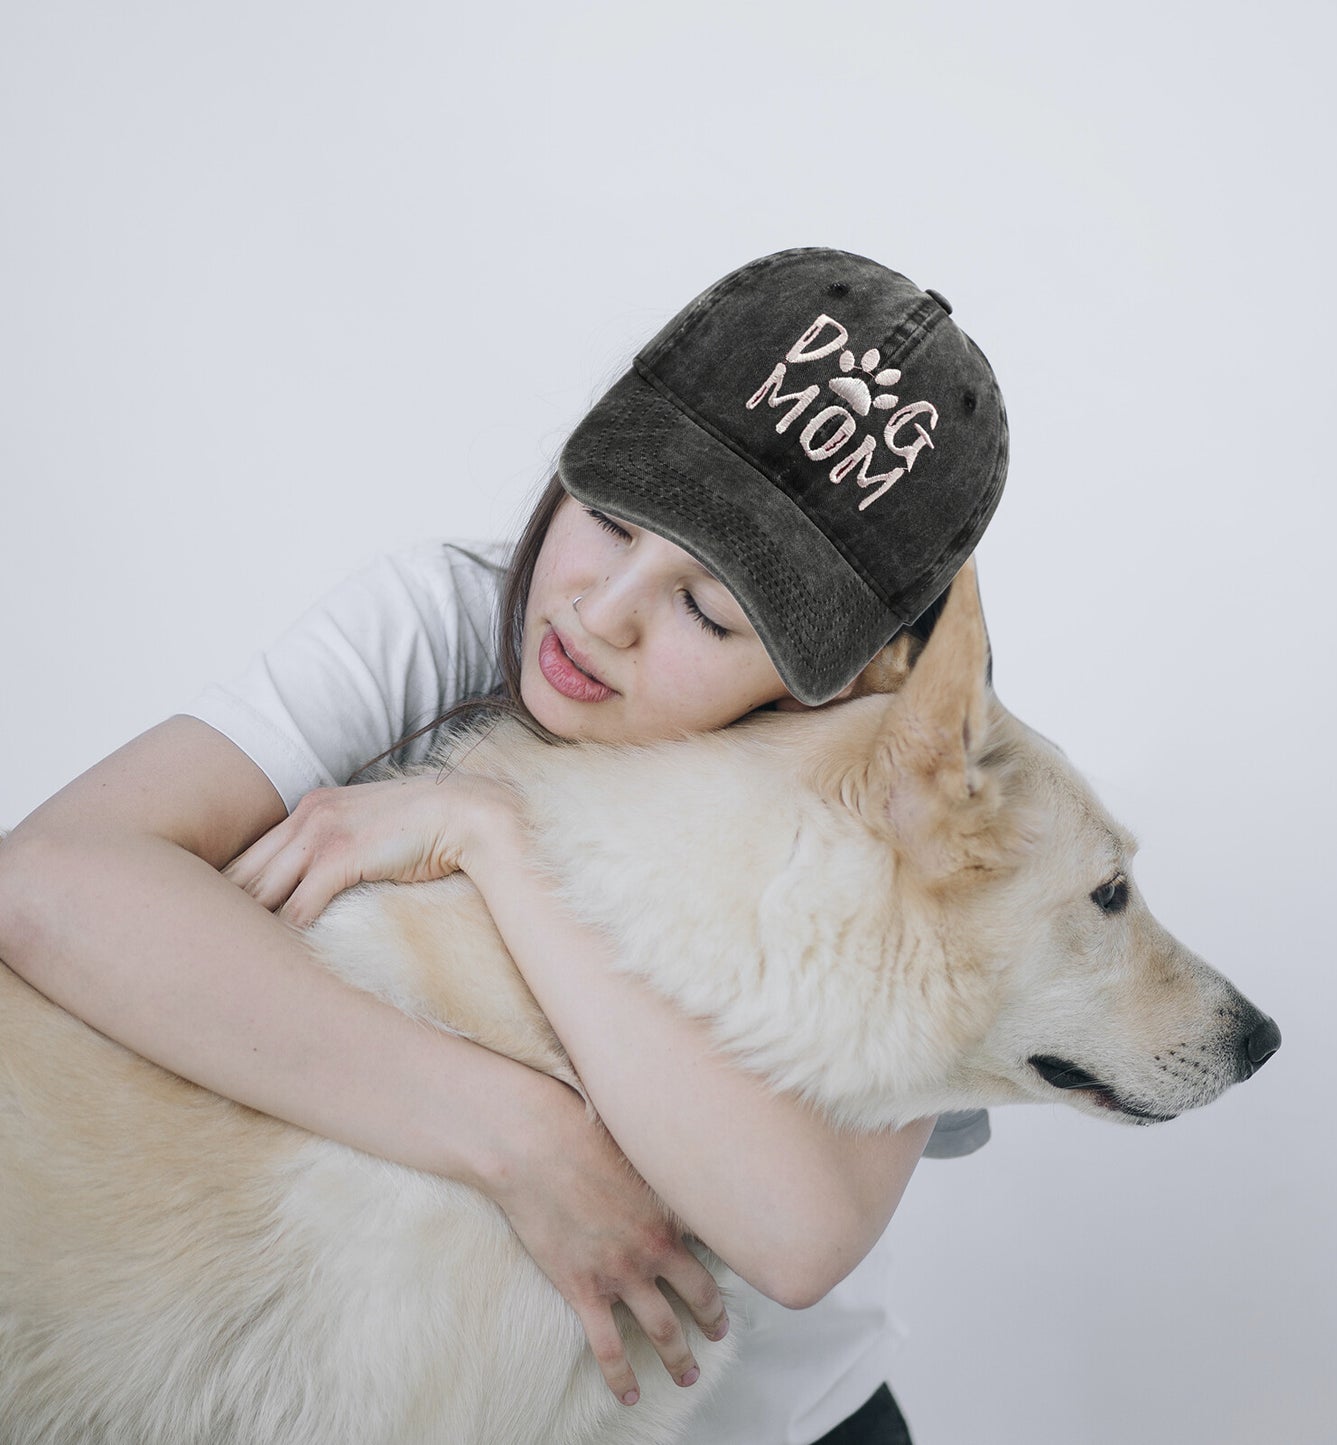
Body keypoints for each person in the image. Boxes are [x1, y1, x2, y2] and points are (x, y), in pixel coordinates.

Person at [0, 246, 1007, 1444]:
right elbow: (54, 883)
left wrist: (492, 834)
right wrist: (522, 1138)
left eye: (706, 610)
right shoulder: (437, 617)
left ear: (836, 681)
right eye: (609, 515)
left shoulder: (918, 795)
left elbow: (794, 1233)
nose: (599, 610)